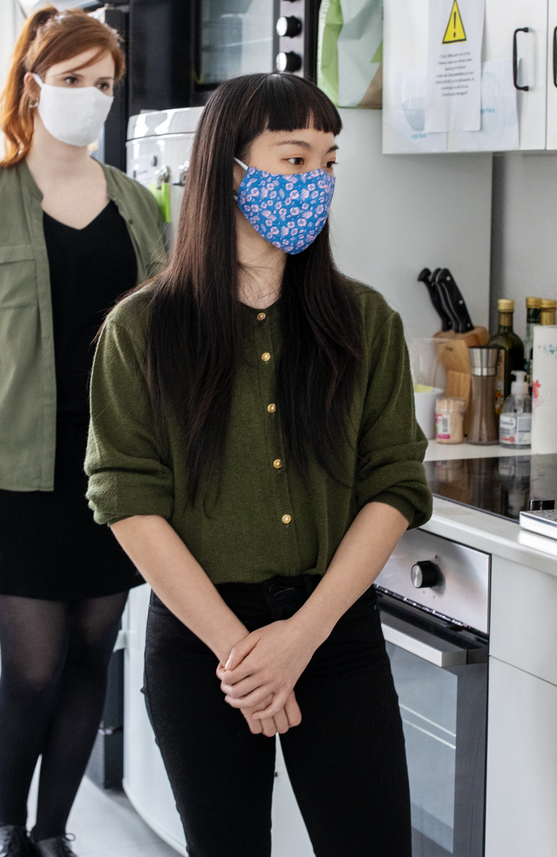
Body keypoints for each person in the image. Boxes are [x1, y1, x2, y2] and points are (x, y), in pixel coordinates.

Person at [86, 73, 431, 856]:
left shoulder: (365, 322)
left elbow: (395, 484)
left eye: (330, 161)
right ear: (227, 170)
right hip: (205, 644)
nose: (319, 180)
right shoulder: (140, 330)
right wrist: (244, 653)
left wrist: (300, 638)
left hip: (333, 634)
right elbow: (127, 499)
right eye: (294, 158)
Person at [0, 7, 166, 857]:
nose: (89, 98)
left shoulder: (141, 208)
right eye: (72, 81)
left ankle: (55, 831)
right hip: (19, 473)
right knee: (31, 668)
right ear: (33, 85)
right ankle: (5, 826)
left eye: (103, 85)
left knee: (89, 661)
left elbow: (168, 343)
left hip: (119, 473)